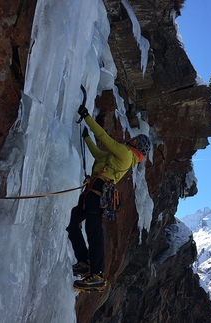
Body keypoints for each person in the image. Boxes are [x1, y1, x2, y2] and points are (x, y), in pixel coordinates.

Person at [67, 103, 152, 292]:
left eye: (136, 141)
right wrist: (87, 138)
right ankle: (84, 261)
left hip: (96, 194)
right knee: (73, 222)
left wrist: (87, 117)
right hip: (92, 192)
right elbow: (99, 154)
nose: (133, 140)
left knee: (94, 231)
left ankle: (97, 274)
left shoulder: (125, 153)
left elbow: (104, 138)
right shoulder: (122, 158)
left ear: (138, 146)